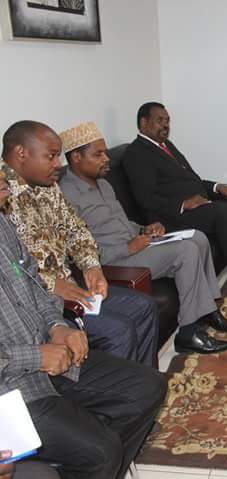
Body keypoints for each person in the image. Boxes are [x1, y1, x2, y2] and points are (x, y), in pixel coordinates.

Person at [0, 168, 168, 479]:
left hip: (53, 362)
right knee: (102, 451)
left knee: (148, 387)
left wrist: (57, 326)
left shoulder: (3, 225)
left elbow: (37, 286)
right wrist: (36, 356)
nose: (4, 179)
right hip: (10, 391)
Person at [58, 122, 227, 355]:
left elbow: (120, 222)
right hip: (114, 261)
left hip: (136, 245)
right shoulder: (65, 196)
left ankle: (207, 310)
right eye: (98, 154)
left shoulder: (103, 183)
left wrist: (144, 229)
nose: (106, 159)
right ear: (76, 158)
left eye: (105, 153)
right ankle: (188, 332)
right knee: (186, 251)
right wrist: (128, 248)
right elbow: (77, 249)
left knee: (198, 237)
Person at [0, 121, 159, 368]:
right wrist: (51, 285)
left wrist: (91, 266)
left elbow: (76, 229)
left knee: (144, 307)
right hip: (36, 306)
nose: (58, 164)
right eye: (51, 156)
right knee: (119, 330)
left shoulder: (48, 185)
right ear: (21, 153)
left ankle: (144, 383)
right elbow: (12, 270)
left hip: (72, 289)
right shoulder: (3, 195)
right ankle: (121, 389)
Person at [123, 102, 227, 296]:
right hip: (170, 217)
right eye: (159, 120)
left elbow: (191, 180)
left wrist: (218, 187)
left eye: (167, 120)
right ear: (144, 123)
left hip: (196, 207)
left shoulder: (166, 145)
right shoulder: (136, 153)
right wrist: (183, 204)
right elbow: (145, 199)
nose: (165, 125)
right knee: (220, 211)